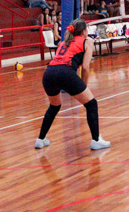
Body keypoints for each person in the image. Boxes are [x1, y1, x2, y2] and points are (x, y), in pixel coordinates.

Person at [35, 19, 110, 151]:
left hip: (49, 73)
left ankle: (40, 139)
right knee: (91, 104)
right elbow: (85, 67)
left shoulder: (64, 42)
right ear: (84, 31)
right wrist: (84, 86)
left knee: (54, 106)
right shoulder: (88, 41)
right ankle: (96, 140)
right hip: (65, 73)